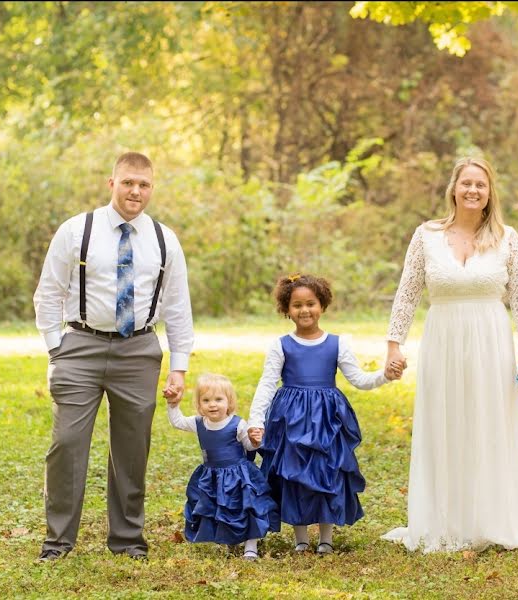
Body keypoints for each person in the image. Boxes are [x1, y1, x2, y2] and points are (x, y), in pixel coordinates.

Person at [33, 151, 193, 562]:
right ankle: (58, 541)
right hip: (80, 348)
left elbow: (178, 308)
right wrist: (57, 348)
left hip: (138, 350)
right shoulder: (76, 230)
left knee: (132, 448)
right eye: (128, 183)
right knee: (67, 444)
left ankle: (126, 540)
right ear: (112, 184)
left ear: (151, 188)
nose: (135, 191)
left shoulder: (164, 239)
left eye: (143, 185)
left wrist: (179, 367)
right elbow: (48, 292)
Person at [381, 156, 518, 553]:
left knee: (489, 424)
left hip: (491, 342)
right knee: (446, 422)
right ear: (454, 188)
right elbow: (407, 292)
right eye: (466, 183)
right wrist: (393, 346)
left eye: (480, 185)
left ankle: (489, 520)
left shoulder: (508, 238)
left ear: (490, 194)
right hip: (443, 341)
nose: (473, 190)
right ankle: (445, 519)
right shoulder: (426, 236)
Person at [248, 274, 403, 555]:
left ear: (322, 305)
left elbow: (357, 378)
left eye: (311, 303)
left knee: (327, 474)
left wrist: (385, 375)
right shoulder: (280, 345)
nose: (305, 310)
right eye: (297, 305)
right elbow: (267, 384)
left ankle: (326, 539)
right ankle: (301, 539)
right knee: (294, 475)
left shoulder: (337, 343)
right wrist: (256, 422)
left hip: (327, 420)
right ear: (287, 309)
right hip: (291, 420)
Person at [166, 373, 279, 561]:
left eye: (218, 399)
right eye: (206, 400)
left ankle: (251, 545)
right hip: (213, 476)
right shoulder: (199, 423)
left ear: (229, 402)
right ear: (199, 404)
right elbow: (177, 422)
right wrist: (172, 404)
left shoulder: (237, 424)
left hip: (239, 476)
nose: (212, 404)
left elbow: (249, 447)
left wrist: (255, 440)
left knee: (246, 508)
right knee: (221, 509)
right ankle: (230, 539)